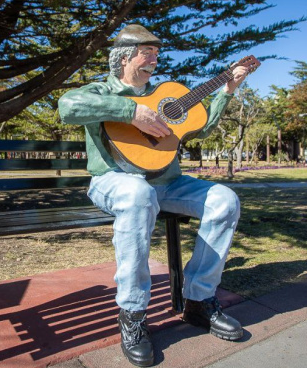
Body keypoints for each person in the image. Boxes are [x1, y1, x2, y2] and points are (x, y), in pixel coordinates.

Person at [58, 24, 252, 367]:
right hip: (115, 180)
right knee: (137, 194)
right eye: (148, 53)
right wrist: (132, 112)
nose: (155, 61)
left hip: (167, 183)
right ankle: (132, 314)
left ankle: (199, 301)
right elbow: (67, 106)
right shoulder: (101, 90)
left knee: (225, 199)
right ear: (124, 57)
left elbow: (200, 126)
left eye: (157, 54)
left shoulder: (167, 93)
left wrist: (227, 90)